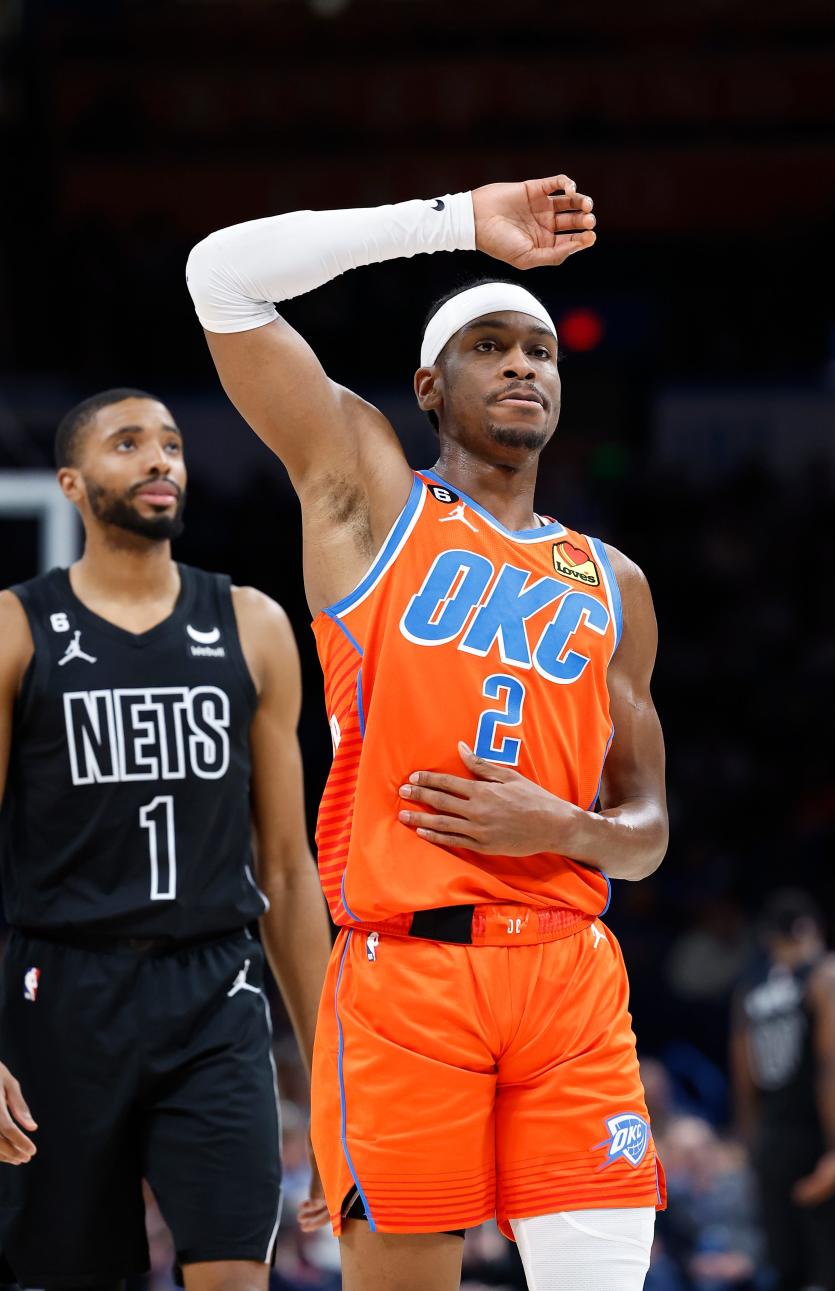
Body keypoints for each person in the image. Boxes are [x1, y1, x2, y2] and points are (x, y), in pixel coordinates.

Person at [186, 174, 669, 1291]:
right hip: (407, 977)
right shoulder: (369, 498)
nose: (521, 366)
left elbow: (644, 833)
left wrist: (562, 825)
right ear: (428, 387)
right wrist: (450, 226)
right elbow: (221, 275)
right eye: (490, 346)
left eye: (540, 351)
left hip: (571, 978)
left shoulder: (614, 580)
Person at [0, 389, 332, 1291]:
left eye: (174, 445)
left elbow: (290, 872)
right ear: (71, 483)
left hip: (212, 991)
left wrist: (330, 1065)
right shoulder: (16, 627)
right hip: (60, 992)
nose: (160, 460)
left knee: (234, 1270)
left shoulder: (253, 625)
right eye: (129, 443)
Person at [730, 890, 835, 1291]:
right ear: (810, 929)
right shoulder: (832, 973)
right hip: (818, 1138)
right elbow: (833, 1066)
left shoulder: (748, 994)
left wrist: (756, 1155)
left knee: (797, 1274)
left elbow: (742, 1083)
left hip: (771, 1146)